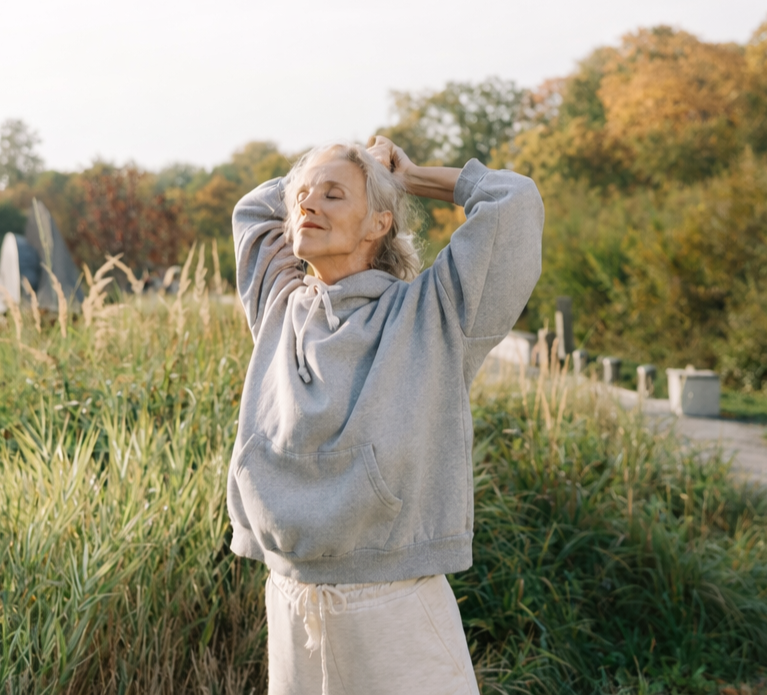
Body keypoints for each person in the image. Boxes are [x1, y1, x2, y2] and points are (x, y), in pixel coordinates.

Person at [229, 135, 543, 695]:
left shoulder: (435, 314)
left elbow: (512, 202)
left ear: (378, 224)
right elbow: (253, 209)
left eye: (332, 196)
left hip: (394, 603)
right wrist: (334, 167)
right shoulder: (277, 307)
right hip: (290, 599)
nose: (306, 205)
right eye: (302, 196)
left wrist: (406, 176)